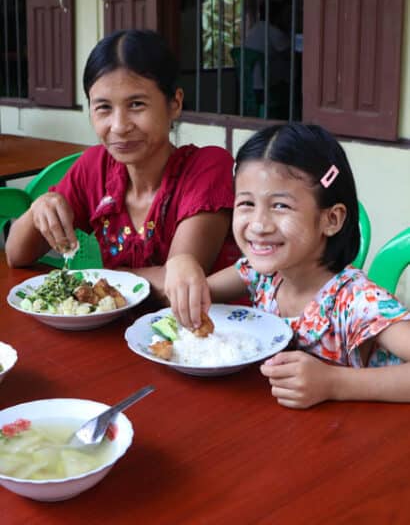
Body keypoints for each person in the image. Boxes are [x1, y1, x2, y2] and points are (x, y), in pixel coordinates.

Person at [164, 123, 410, 409]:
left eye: (280, 206)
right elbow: (194, 297)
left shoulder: (356, 302)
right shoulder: (263, 275)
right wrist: (181, 263)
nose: (258, 224)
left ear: (331, 220)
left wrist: (334, 383)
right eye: (246, 203)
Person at [5, 29, 240, 301]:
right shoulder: (95, 166)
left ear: (174, 103)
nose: (119, 126)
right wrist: (39, 209)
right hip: (115, 333)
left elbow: (175, 284)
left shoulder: (207, 168)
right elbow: (16, 255)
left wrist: (98, 280)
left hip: (203, 336)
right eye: (103, 107)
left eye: (137, 104)